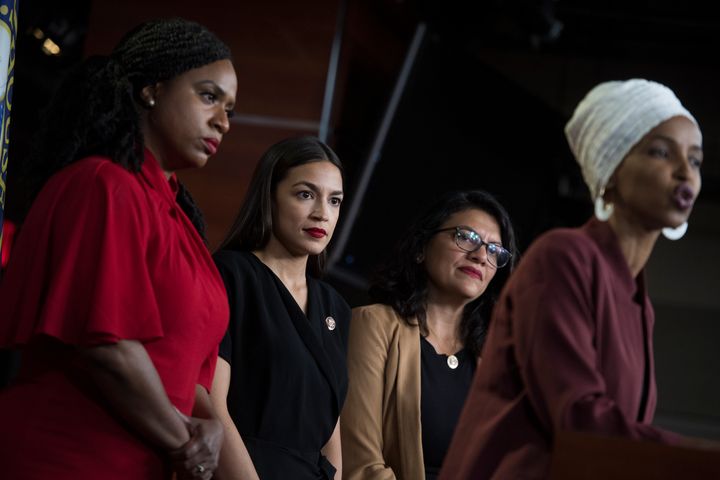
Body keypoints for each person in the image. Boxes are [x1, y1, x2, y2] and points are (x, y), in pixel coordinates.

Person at [0, 18, 237, 480]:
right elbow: (106, 348)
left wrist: (211, 429)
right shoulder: (103, 185)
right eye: (209, 96)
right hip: (68, 457)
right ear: (152, 89)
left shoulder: (179, 218)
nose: (223, 122)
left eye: (230, 108)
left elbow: (186, 372)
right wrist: (188, 442)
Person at [439, 79, 706, 479]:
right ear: (611, 168)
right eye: (661, 152)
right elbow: (580, 418)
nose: (685, 173)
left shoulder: (639, 302)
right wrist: (700, 458)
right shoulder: (563, 257)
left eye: (696, 160)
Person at [341, 189, 518, 480]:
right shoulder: (372, 325)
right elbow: (360, 463)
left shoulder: (495, 361)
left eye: (494, 250)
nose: (480, 257)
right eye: (466, 237)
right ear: (422, 247)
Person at [209, 136, 351, 480]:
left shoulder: (335, 306)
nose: (322, 213)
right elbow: (212, 405)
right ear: (269, 196)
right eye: (305, 194)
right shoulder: (232, 274)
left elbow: (329, 425)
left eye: (334, 201)